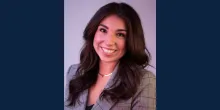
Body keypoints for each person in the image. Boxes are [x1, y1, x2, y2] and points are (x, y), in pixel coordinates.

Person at [64, 2, 156, 110]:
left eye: (120, 34)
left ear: (132, 41)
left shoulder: (144, 81)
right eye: (103, 30)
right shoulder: (74, 72)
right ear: (93, 32)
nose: (109, 42)